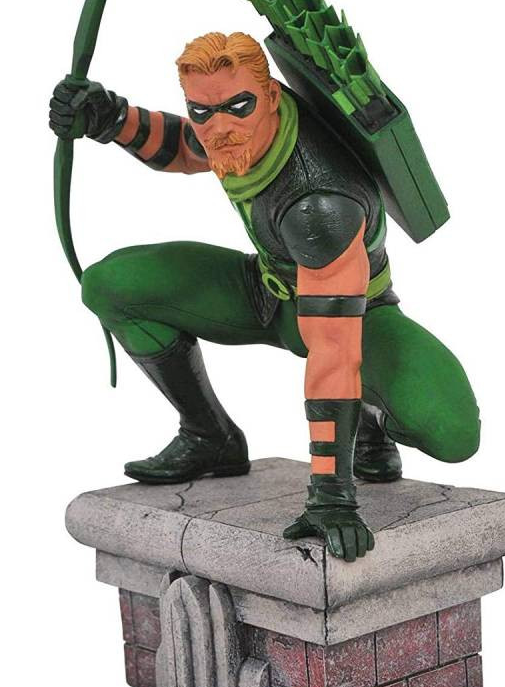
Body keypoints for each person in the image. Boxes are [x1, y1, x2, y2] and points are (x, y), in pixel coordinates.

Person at [49, 32, 480, 560]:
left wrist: (332, 495)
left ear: (273, 96)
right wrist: (111, 118)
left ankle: (372, 419)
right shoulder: (237, 131)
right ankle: (209, 436)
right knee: (112, 283)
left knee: (453, 432)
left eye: (238, 107)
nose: (219, 127)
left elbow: (334, 352)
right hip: (268, 292)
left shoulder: (318, 204)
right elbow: (186, 146)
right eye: (203, 111)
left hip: (356, 316)